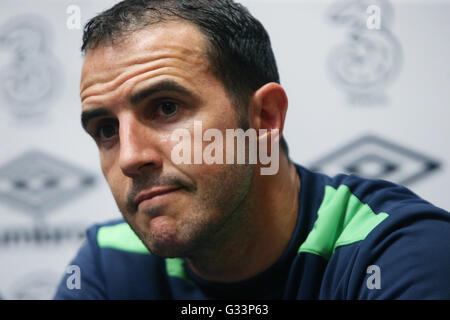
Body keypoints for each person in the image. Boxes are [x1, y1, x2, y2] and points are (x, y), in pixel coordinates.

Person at [54, 0, 450, 299]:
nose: (129, 157)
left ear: (265, 118)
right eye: (106, 129)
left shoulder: (396, 254)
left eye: (166, 107)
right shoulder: (111, 261)